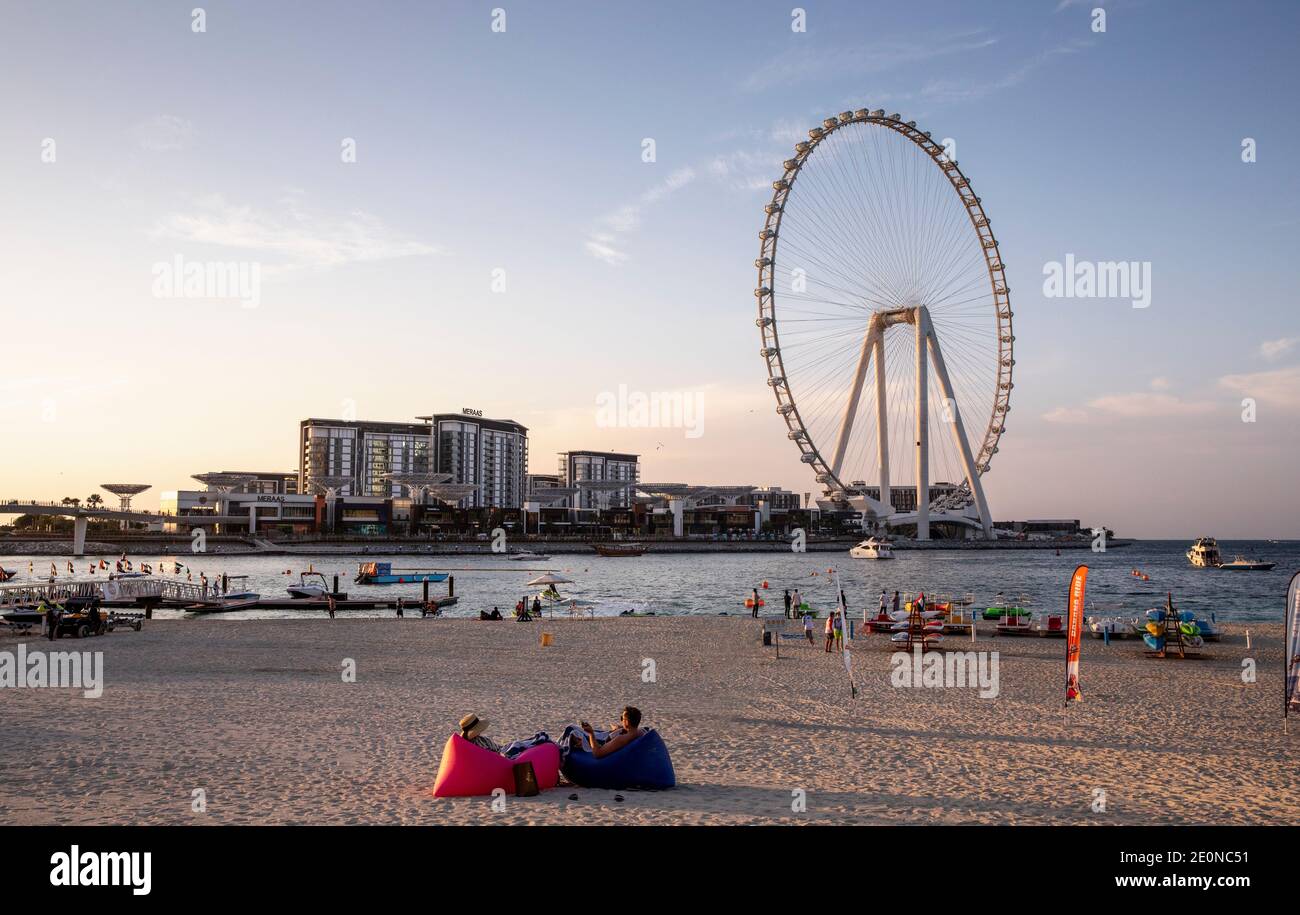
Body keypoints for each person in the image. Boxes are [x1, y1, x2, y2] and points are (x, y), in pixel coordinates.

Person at [580, 706, 645, 759]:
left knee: (578, 734)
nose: (621, 720)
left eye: (622, 718)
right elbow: (631, 731)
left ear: (627, 722)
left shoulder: (621, 739)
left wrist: (591, 733)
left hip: (609, 759)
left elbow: (598, 753)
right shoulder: (642, 733)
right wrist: (620, 728)